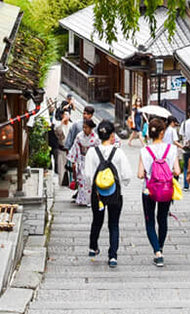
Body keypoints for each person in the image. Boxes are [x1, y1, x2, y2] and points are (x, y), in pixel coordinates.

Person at [136, 114, 181, 266]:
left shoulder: (145, 151)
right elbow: (177, 171)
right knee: (162, 219)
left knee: (149, 221)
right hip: (166, 190)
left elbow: (140, 174)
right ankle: (160, 246)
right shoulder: (172, 149)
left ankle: (157, 251)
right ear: (162, 132)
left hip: (148, 190)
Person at [83, 120, 127, 268]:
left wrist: (93, 186)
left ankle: (93, 247)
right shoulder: (118, 152)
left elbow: (88, 175)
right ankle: (113, 256)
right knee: (114, 224)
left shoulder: (91, 152)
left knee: (97, 220)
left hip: (97, 194)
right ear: (112, 135)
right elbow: (127, 175)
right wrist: (121, 183)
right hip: (114, 193)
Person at [71, 117, 99, 206]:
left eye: (86, 127)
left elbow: (98, 151)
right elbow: (75, 148)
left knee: (89, 180)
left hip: (91, 161)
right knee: (81, 180)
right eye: (83, 127)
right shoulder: (79, 136)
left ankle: (90, 200)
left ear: (91, 128)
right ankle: (82, 199)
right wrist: (74, 161)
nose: (84, 129)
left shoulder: (95, 138)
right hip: (82, 159)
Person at [50, 111, 72, 188]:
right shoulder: (58, 125)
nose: (65, 116)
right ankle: (62, 184)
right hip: (61, 149)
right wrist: (62, 122)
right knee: (61, 169)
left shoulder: (72, 126)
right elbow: (57, 131)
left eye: (67, 114)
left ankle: (71, 184)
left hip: (70, 151)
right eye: (64, 114)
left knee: (70, 170)